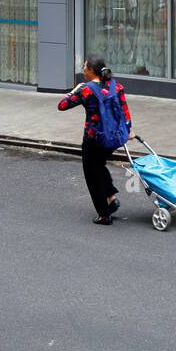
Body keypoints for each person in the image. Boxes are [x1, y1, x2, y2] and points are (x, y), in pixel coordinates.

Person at [59, 54, 133, 224]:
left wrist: (74, 90)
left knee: (92, 175)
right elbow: (125, 111)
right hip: (113, 138)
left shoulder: (86, 89)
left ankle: (104, 214)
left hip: (93, 139)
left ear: (91, 71)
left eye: (84, 67)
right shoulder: (116, 86)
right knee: (99, 165)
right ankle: (111, 198)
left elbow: (62, 105)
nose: (83, 70)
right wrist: (128, 131)